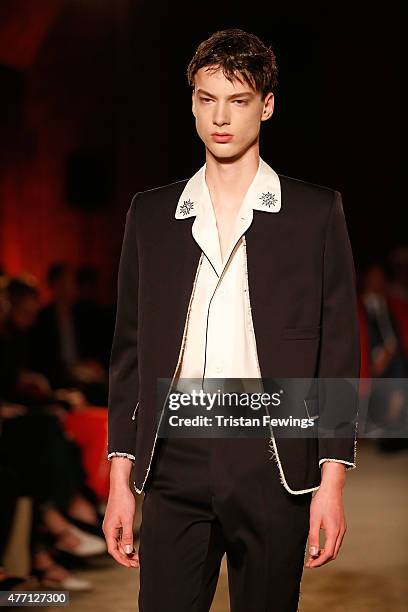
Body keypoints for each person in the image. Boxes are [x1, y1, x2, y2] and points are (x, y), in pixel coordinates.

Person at [103, 28, 360, 611]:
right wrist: (121, 481)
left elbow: (338, 352)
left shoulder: (314, 212)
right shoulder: (151, 214)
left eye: (238, 100)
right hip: (175, 454)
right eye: (206, 98)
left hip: (272, 454)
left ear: (266, 106)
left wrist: (332, 483)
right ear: (191, 102)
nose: (220, 117)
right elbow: (130, 354)